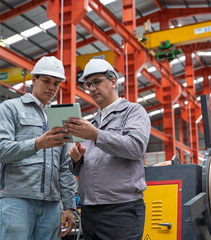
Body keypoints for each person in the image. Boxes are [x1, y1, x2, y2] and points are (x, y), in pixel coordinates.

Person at [0, 56, 76, 240]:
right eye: (46, 81)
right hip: (17, 200)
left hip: (52, 206)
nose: (51, 88)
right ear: (33, 80)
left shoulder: (59, 116)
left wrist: (69, 205)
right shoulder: (10, 109)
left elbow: (64, 166)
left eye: (56, 83)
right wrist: (37, 144)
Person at [65, 59, 151, 240]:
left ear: (113, 81)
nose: (91, 88)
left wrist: (96, 135)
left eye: (96, 82)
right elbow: (81, 168)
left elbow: (135, 147)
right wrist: (76, 159)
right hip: (90, 210)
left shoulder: (133, 112)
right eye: (88, 84)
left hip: (121, 210)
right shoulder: (91, 122)